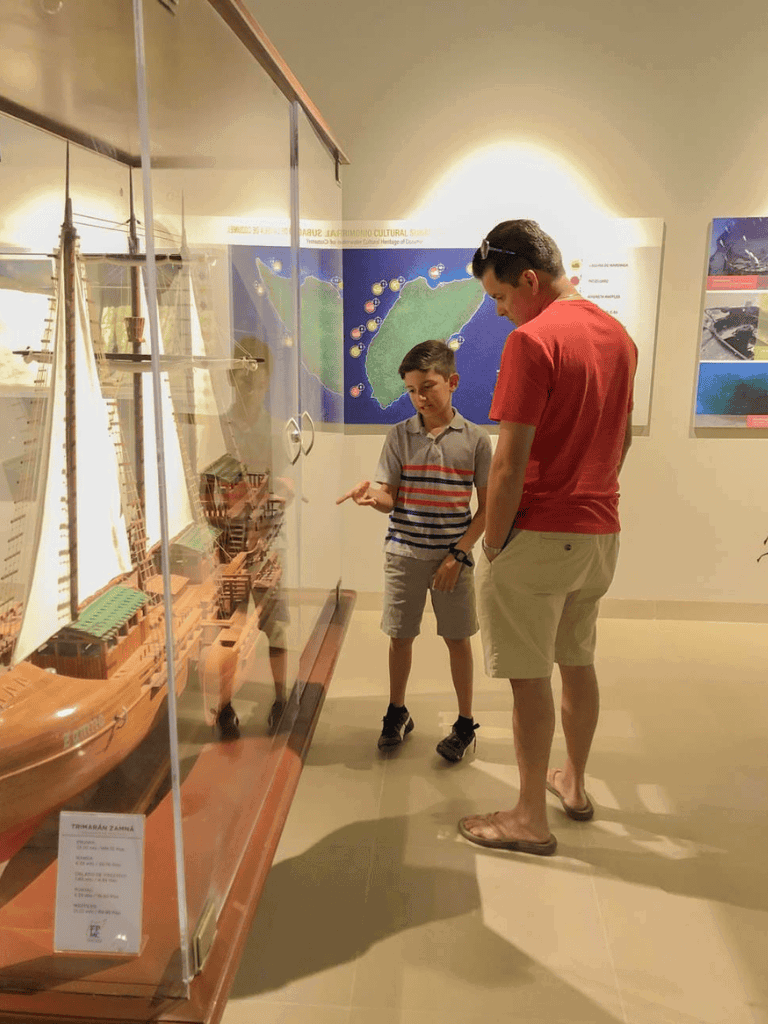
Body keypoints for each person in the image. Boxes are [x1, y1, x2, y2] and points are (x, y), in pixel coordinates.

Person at [458, 220, 637, 855]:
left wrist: (495, 540)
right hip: (599, 532)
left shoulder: (533, 342)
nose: (503, 314)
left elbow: (508, 463)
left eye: (502, 299)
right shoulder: (618, 335)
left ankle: (528, 815)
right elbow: (620, 440)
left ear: (530, 280)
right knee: (577, 660)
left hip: (537, 534)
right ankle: (575, 784)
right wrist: (593, 495)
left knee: (528, 678)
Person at [337, 340, 492, 761]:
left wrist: (457, 556)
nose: (419, 398)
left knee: (457, 640)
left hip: (451, 561)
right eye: (411, 390)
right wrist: (373, 495)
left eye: (428, 387)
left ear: (452, 382)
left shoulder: (476, 440)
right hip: (404, 553)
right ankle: (397, 711)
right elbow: (390, 496)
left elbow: (487, 508)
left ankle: (464, 724)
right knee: (400, 637)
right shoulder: (399, 436)